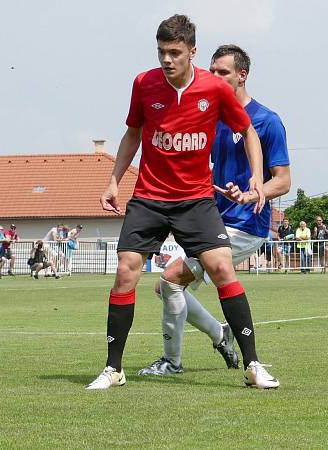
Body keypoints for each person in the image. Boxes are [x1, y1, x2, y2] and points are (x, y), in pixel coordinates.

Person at [88, 15, 278, 390]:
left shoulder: (215, 90)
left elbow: (248, 132)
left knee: (223, 269)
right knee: (126, 270)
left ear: (192, 52)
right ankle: (114, 369)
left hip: (195, 200)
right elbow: (133, 134)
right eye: (161, 52)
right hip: (150, 196)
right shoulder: (144, 84)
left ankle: (254, 365)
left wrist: (256, 176)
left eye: (175, 52)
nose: (167, 59)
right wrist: (113, 180)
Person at [138, 44, 291, 378]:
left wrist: (254, 193)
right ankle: (220, 333)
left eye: (223, 72)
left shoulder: (267, 122)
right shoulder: (214, 118)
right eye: (212, 71)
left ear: (242, 75)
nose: (215, 77)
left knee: (169, 280)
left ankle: (174, 360)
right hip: (214, 220)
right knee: (166, 286)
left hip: (247, 225)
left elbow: (283, 181)